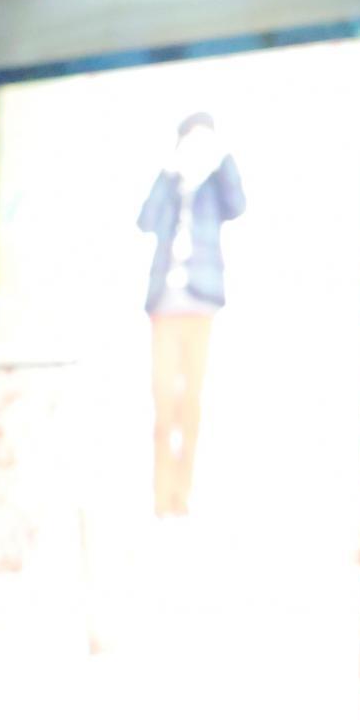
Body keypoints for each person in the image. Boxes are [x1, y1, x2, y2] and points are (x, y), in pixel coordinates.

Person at [134, 113, 247, 518]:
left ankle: (182, 496)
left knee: (191, 404)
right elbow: (146, 221)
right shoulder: (172, 185)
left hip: (200, 306)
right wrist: (167, 172)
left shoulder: (214, 188)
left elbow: (238, 204)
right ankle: (160, 498)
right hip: (164, 307)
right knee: (163, 404)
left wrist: (222, 155)